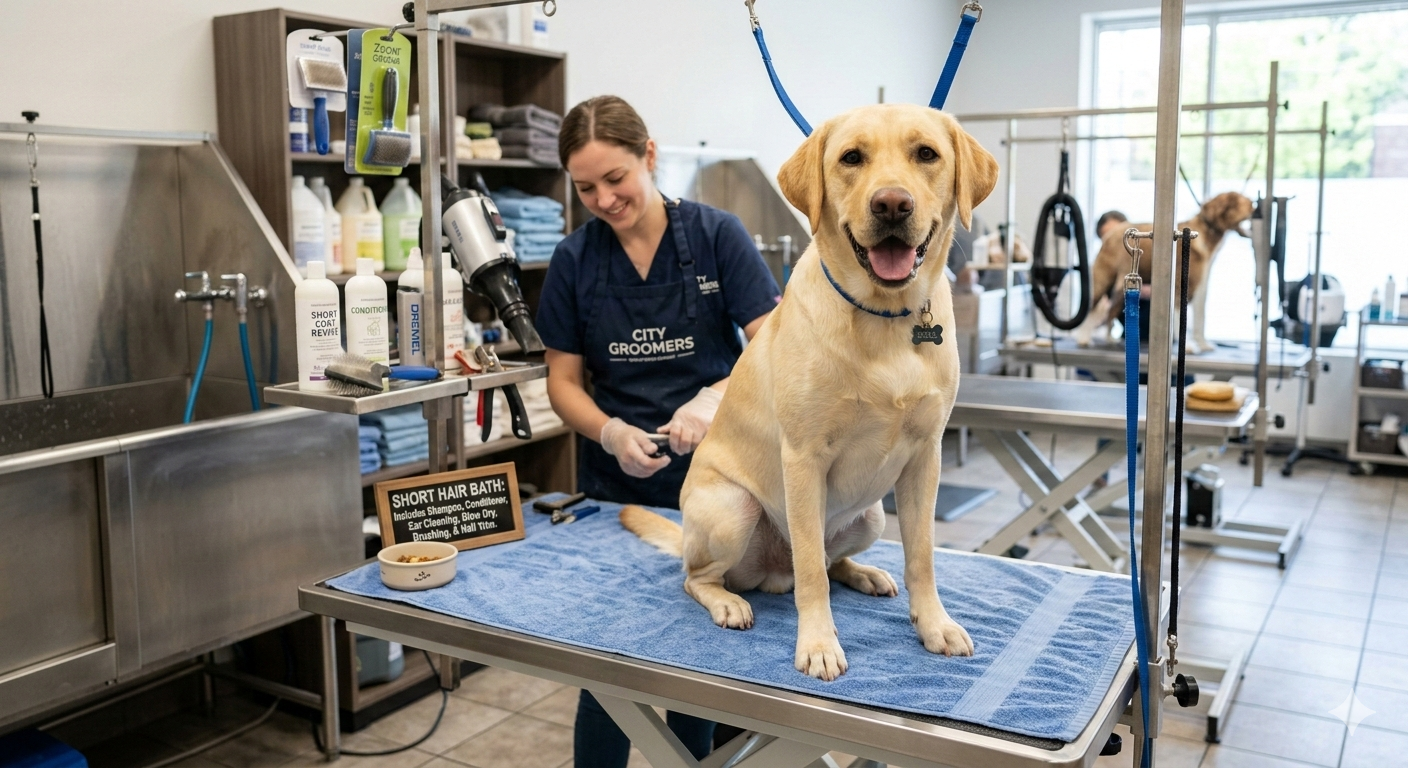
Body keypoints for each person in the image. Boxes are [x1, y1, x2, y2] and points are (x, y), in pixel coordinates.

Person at [534, 95, 781, 768]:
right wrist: (610, 431)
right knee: (609, 663)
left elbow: (772, 347)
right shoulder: (574, 260)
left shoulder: (715, 236)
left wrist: (713, 398)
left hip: (724, 481)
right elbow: (562, 383)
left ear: (649, 155)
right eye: (585, 188)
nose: (604, 198)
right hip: (620, 490)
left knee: (707, 666)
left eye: (616, 179)